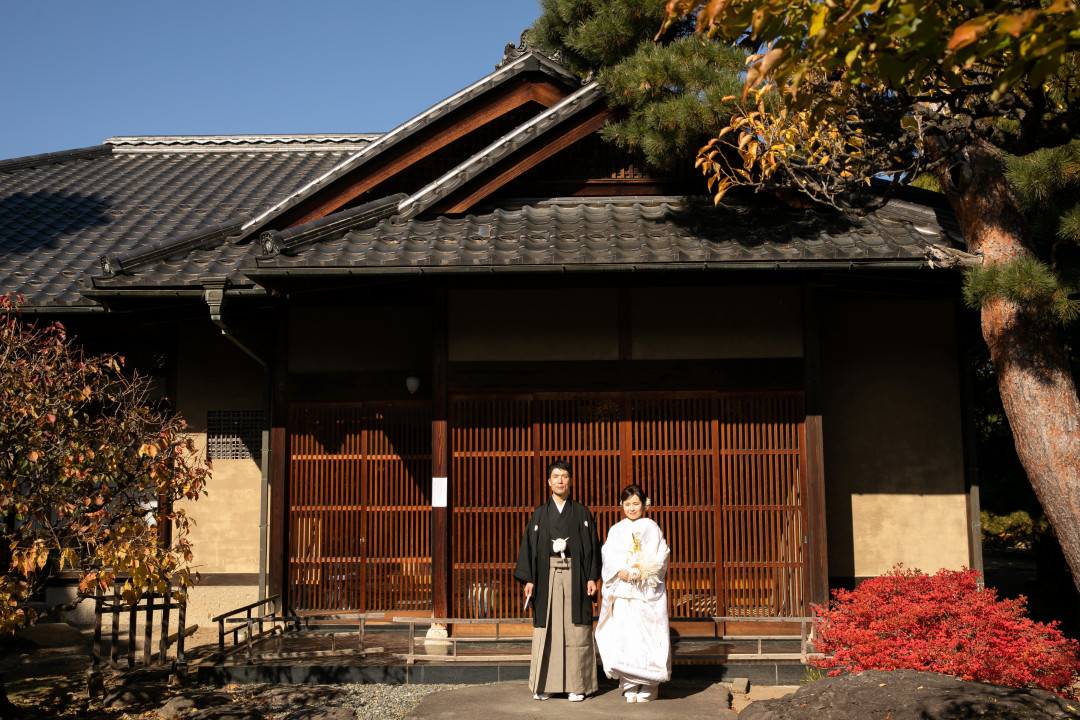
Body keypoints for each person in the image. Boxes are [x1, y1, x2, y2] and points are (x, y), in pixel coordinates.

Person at [514, 460, 602, 702]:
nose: (560, 480)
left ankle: (578, 685)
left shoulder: (582, 513)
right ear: (549, 482)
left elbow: (592, 548)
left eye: (564, 476)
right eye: (556, 476)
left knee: (576, 631)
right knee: (549, 630)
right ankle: (547, 684)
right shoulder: (539, 515)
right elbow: (529, 549)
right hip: (547, 577)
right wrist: (529, 580)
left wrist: (592, 576)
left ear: (570, 481)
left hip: (576, 576)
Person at [595, 484, 671, 703]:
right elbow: (607, 554)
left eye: (635, 504)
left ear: (645, 504)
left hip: (646, 591)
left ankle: (649, 683)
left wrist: (641, 571)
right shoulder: (616, 529)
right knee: (625, 635)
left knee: (647, 635)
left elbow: (661, 555)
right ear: (622, 506)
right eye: (627, 504)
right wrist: (620, 570)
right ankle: (628, 682)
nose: (631, 508)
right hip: (623, 590)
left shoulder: (652, 527)